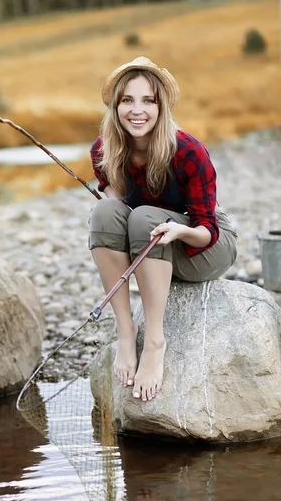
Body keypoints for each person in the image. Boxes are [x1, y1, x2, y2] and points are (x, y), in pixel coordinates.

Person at [88, 56, 238, 402]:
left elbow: (207, 230)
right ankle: (126, 330)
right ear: (115, 106)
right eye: (127, 100)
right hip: (150, 244)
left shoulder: (187, 151)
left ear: (161, 106)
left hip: (202, 247)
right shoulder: (104, 150)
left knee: (144, 218)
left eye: (147, 100)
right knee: (104, 211)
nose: (136, 110)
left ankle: (155, 340)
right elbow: (113, 195)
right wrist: (111, 200)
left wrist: (178, 231)